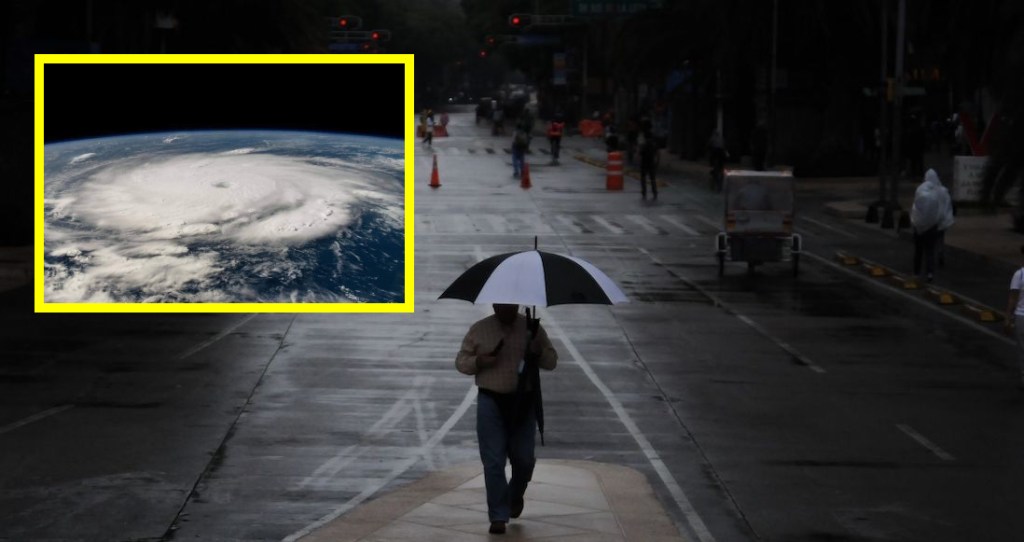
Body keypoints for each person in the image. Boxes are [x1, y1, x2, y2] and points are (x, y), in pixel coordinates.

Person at [456, 304, 558, 534]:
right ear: (494, 305)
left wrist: (538, 351)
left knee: (524, 460)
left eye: (511, 304)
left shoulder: (532, 329)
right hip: (491, 401)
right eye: (501, 305)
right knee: (493, 461)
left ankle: (514, 495)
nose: (506, 309)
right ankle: (498, 516)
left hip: (523, 402)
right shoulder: (479, 330)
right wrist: (479, 361)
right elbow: (461, 362)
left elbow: (552, 361)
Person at [909, 169, 951, 282]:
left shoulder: (920, 190)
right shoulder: (940, 191)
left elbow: (916, 207)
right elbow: (942, 208)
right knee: (930, 251)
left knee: (918, 251)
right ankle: (930, 273)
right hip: (933, 227)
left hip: (919, 227)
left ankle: (916, 273)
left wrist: (915, 222)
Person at [638, 129, 658, 199]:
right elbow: (657, 154)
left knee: (643, 179)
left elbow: (640, 153)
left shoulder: (644, 145)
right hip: (651, 163)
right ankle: (654, 192)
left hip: (644, 163)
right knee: (652, 179)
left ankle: (644, 192)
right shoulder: (653, 144)